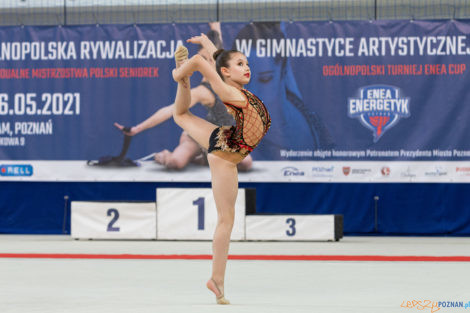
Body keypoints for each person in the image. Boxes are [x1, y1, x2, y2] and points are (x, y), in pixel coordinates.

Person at [171, 34, 271, 304]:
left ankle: (183, 82)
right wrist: (181, 70)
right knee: (226, 220)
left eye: (247, 63)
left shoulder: (236, 88)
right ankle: (216, 280)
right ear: (228, 72)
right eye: (241, 64)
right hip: (226, 155)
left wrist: (212, 47)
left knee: (180, 115)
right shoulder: (229, 93)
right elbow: (199, 61)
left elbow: (218, 63)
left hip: (226, 138)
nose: (247, 67)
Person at [114, 25, 253, 171]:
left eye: (212, 59)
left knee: (245, 163)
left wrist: (215, 25)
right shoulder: (203, 91)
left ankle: (204, 158)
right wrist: (136, 129)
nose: (209, 63)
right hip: (196, 138)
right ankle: (163, 155)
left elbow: (217, 45)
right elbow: (170, 110)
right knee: (175, 163)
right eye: (204, 60)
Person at [232, 22, 334, 159]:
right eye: (242, 82)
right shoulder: (239, 122)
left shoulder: (300, 134)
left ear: (283, 72)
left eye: (265, 80)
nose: (251, 93)